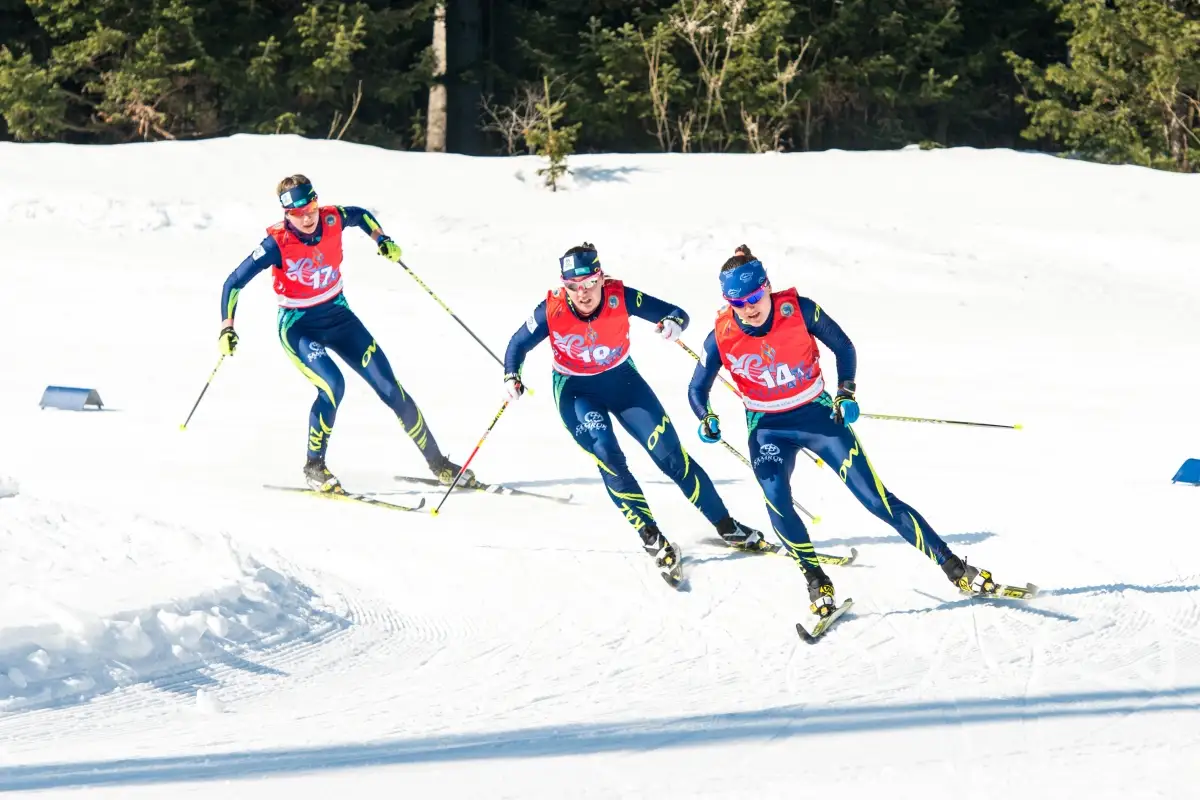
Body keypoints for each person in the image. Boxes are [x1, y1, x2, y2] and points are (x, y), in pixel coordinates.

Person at [688, 245, 1005, 619]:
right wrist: (706, 417)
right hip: (767, 428)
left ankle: (955, 569)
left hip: (818, 417)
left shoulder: (800, 310)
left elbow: (843, 346)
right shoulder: (721, 336)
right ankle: (815, 580)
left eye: (755, 296)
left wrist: (846, 392)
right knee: (776, 497)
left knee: (876, 500)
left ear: (768, 287)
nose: (749, 308)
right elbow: (697, 389)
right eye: (737, 302)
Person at [502, 243, 769, 582]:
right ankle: (652, 537)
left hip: (622, 382)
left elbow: (675, 312)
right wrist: (512, 375)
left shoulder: (620, 297)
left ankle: (726, 526)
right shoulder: (551, 310)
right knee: (607, 452)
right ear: (563, 284)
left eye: (589, 284)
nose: (582, 294)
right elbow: (517, 345)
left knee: (670, 455)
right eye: (573, 286)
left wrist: (674, 324)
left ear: (601, 278)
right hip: (576, 391)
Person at [217, 174, 475, 493]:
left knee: (390, 388)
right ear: (286, 215)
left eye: (310, 207)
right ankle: (314, 466)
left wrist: (381, 239)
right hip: (298, 326)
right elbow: (233, 282)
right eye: (297, 213)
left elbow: (361, 215)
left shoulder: (332, 217)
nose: (307, 217)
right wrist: (227, 327)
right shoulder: (276, 243)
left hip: (339, 317)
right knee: (332, 385)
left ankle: (440, 465)